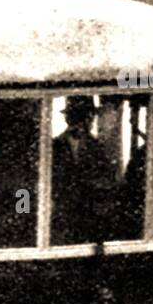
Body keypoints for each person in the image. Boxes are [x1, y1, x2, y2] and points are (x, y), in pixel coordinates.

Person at [52, 96, 114, 243]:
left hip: (90, 220)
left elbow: (106, 180)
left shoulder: (98, 148)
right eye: (75, 116)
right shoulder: (54, 147)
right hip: (61, 221)